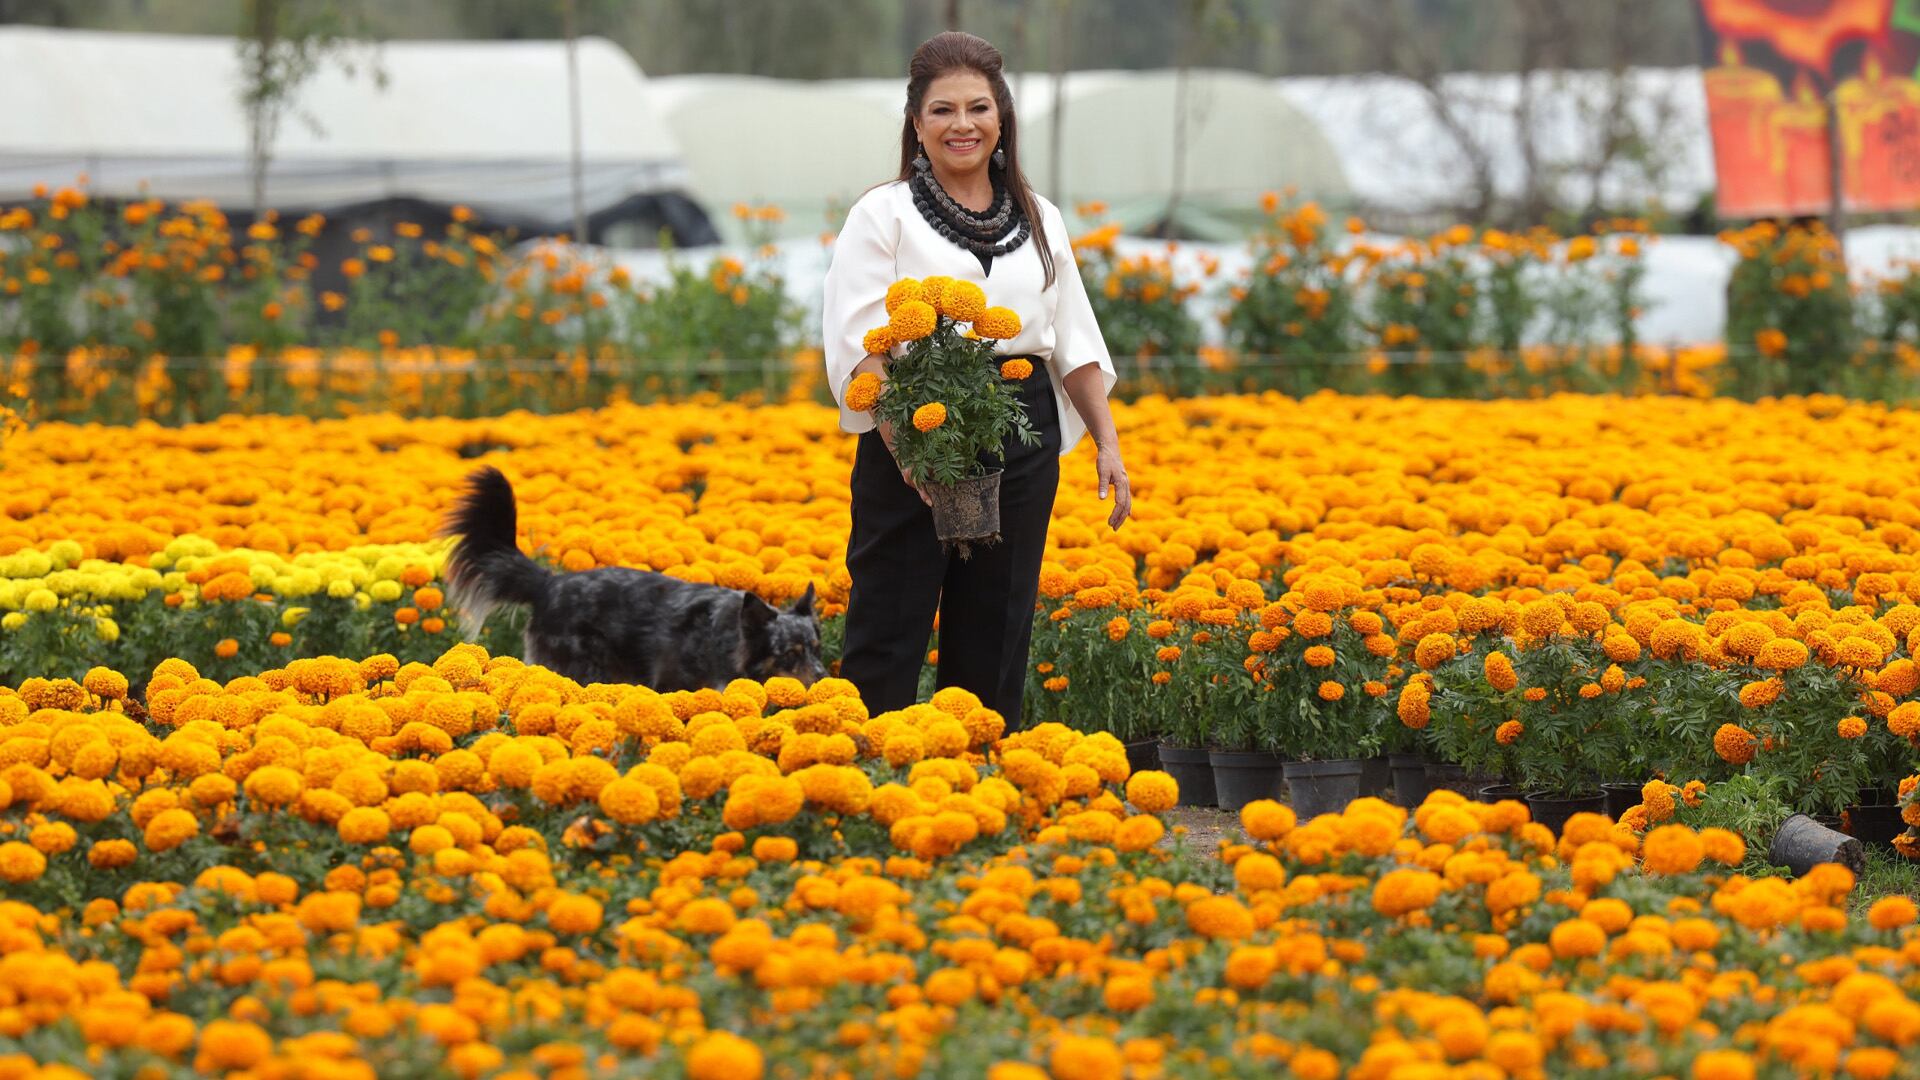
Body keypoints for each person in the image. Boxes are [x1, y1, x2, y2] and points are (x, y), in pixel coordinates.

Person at [821, 30, 1130, 725]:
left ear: (1002, 120)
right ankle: (870, 778)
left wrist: (1108, 444)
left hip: (1022, 421)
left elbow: (1072, 338)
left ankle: (978, 782)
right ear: (916, 124)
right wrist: (909, 452)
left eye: (978, 108)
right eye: (942, 111)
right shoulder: (882, 213)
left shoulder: (1039, 216)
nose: (962, 124)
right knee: (891, 615)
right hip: (915, 416)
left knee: (998, 621)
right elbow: (861, 342)